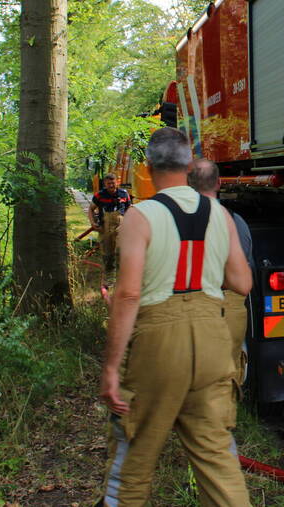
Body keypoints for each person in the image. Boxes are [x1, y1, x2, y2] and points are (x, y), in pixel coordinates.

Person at [98, 128, 252, 507]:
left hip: (159, 342)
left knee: (133, 458)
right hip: (213, 341)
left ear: (149, 168)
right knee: (217, 455)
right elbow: (242, 283)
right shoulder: (220, 214)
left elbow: (129, 294)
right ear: (188, 164)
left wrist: (112, 368)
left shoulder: (140, 215)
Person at [188, 158, 253, 392]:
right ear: (218, 183)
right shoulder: (237, 222)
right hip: (231, 305)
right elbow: (245, 271)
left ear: (189, 185)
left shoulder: (179, 222)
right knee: (229, 373)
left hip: (196, 304)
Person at [88, 174, 132, 273]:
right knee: (107, 251)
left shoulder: (124, 194)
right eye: (109, 183)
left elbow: (129, 209)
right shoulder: (99, 195)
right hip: (105, 227)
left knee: (121, 249)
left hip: (121, 226)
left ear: (117, 182)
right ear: (105, 184)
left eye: (113, 183)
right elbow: (91, 209)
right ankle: (108, 273)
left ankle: (121, 273)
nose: (111, 185)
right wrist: (92, 222)